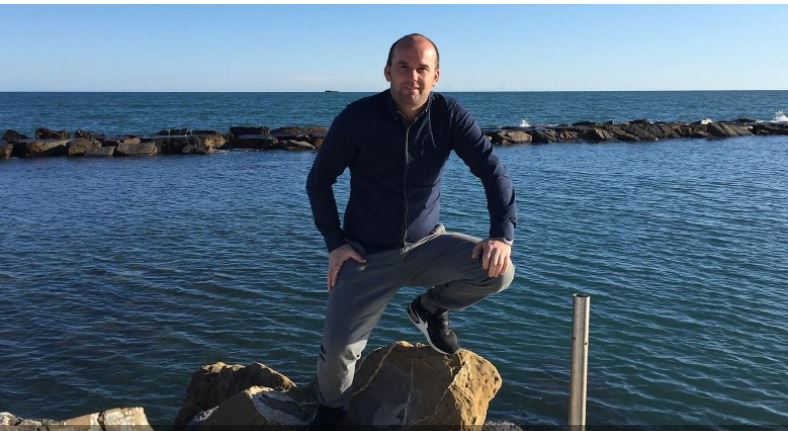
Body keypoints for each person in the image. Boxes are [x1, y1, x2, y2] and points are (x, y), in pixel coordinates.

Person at [305, 33, 517, 426]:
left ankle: (429, 309)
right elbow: (319, 181)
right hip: (365, 255)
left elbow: (494, 173)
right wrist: (335, 244)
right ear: (388, 71)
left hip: (427, 246)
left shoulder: (449, 115)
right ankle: (333, 410)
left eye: (422, 68)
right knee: (337, 353)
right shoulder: (357, 118)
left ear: (436, 76)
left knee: (499, 271)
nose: (412, 77)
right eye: (403, 67)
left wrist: (501, 236)